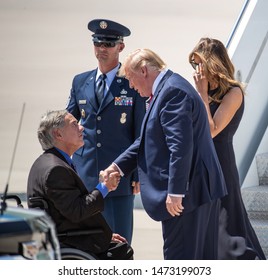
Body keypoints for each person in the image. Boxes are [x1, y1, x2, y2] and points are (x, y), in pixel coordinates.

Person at [102, 48, 228, 260]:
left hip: (188, 195)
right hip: (195, 192)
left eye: (131, 79)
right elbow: (146, 140)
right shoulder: (167, 88)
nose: (131, 86)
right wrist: (117, 167)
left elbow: (180, 146)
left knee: (181, 260)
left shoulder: (172, 92)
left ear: (143, 71)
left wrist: (176, 191)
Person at [66, 19, 146, 244]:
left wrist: (137, 172)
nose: (102, 48)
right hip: (86, 175)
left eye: (108, 44)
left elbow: (141, 131)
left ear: (120, 47)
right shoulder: (80, 81)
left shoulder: (131, 83)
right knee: (88, 241)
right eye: (98, 42)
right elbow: (68, 122)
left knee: (119, 242)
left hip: (119, 176)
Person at [188, 37, 266, 260]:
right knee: (204, 225)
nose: (196, 70)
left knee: (229, 223)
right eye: (194, 65)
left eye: (199, 64)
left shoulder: (233, 93)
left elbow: (211, 130)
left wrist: (201, 93)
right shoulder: (203, 92)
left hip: (220, 163)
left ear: (213, 63)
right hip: (199, 163)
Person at [27, 110, 133, 260]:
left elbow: (68, 212)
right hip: (67, 241)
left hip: (66, 235)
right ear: (58, 134)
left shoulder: (47, 162)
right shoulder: (55, 169)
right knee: (123, 252)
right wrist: (105, 187)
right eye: (74, 124)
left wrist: (102, 234)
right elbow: (78, 211)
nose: (82, 127)